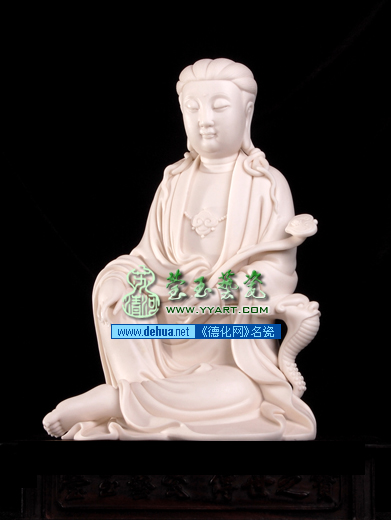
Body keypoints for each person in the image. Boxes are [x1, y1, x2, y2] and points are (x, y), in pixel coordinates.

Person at [43, 58, 319, 440]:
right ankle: (138, 393)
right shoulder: (173, 182)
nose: (205, 119)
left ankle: (118, 401)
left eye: (219, 107)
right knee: (120, 296)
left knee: (243, 392)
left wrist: (224, 293)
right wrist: (121, 278)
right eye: (193, 108)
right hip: (166, 326)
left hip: (228, 339)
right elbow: (146, 257)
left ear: (247, 112)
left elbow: (276, 274)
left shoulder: (267, 185)